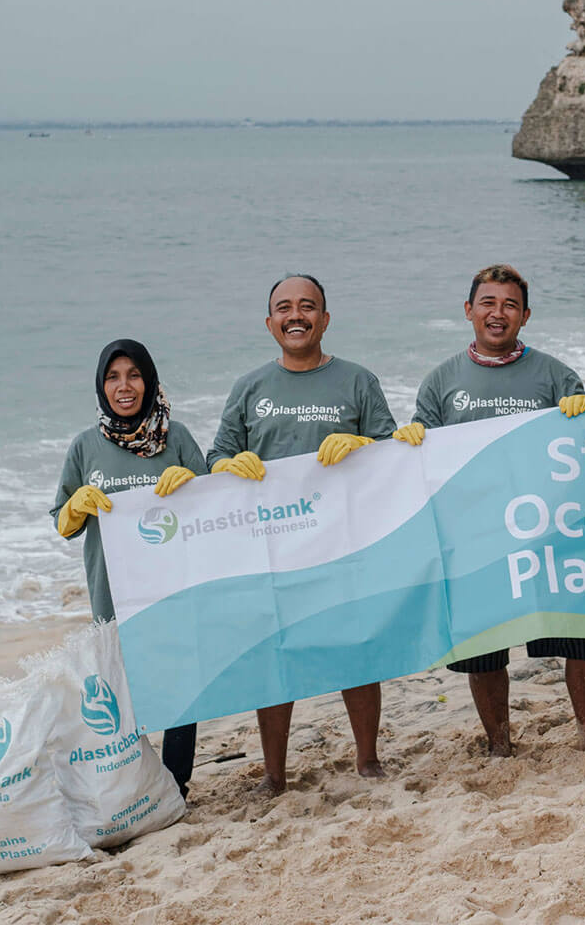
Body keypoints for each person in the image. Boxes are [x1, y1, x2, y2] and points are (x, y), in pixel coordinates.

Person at [404, 264, 585, 759]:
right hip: (476, 534)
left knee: (581, 631)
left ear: (525, 315)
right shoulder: (441, 382)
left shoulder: (553, 373)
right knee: (484, 643)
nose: (497, 314)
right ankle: (500, 744)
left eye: (509, 305)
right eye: (488, 303)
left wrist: (584, 411)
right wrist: (411, 440)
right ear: (468, 311)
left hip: (551, 528)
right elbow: (422, 460)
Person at [206, 273, 401, 793]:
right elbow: (217, 454)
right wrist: (232, 462)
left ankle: (367, 759)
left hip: (344, 542)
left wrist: (361, 446)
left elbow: (391, 450)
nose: (297, 315)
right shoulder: (249, 387)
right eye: (285, 308)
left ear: (326, 319)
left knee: (354, 650)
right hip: (271, 547)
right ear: (269, 323)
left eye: (308, 306)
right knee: (277, 657)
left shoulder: (358, 380)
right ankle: (273, 773)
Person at [52, 338, 205, 798]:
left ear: (149, 381)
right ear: (101, 386)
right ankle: (133, 786)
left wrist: (194, 484)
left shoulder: (175, 437)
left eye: (134, 375)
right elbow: (63, 525)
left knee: (180, 691)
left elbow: (216, 511)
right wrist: (77, 504)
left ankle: (177, 785)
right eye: (113, 377)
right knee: (120, 693)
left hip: (174, 588)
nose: (125, 386)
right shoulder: (85, 447)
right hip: (113, 593)